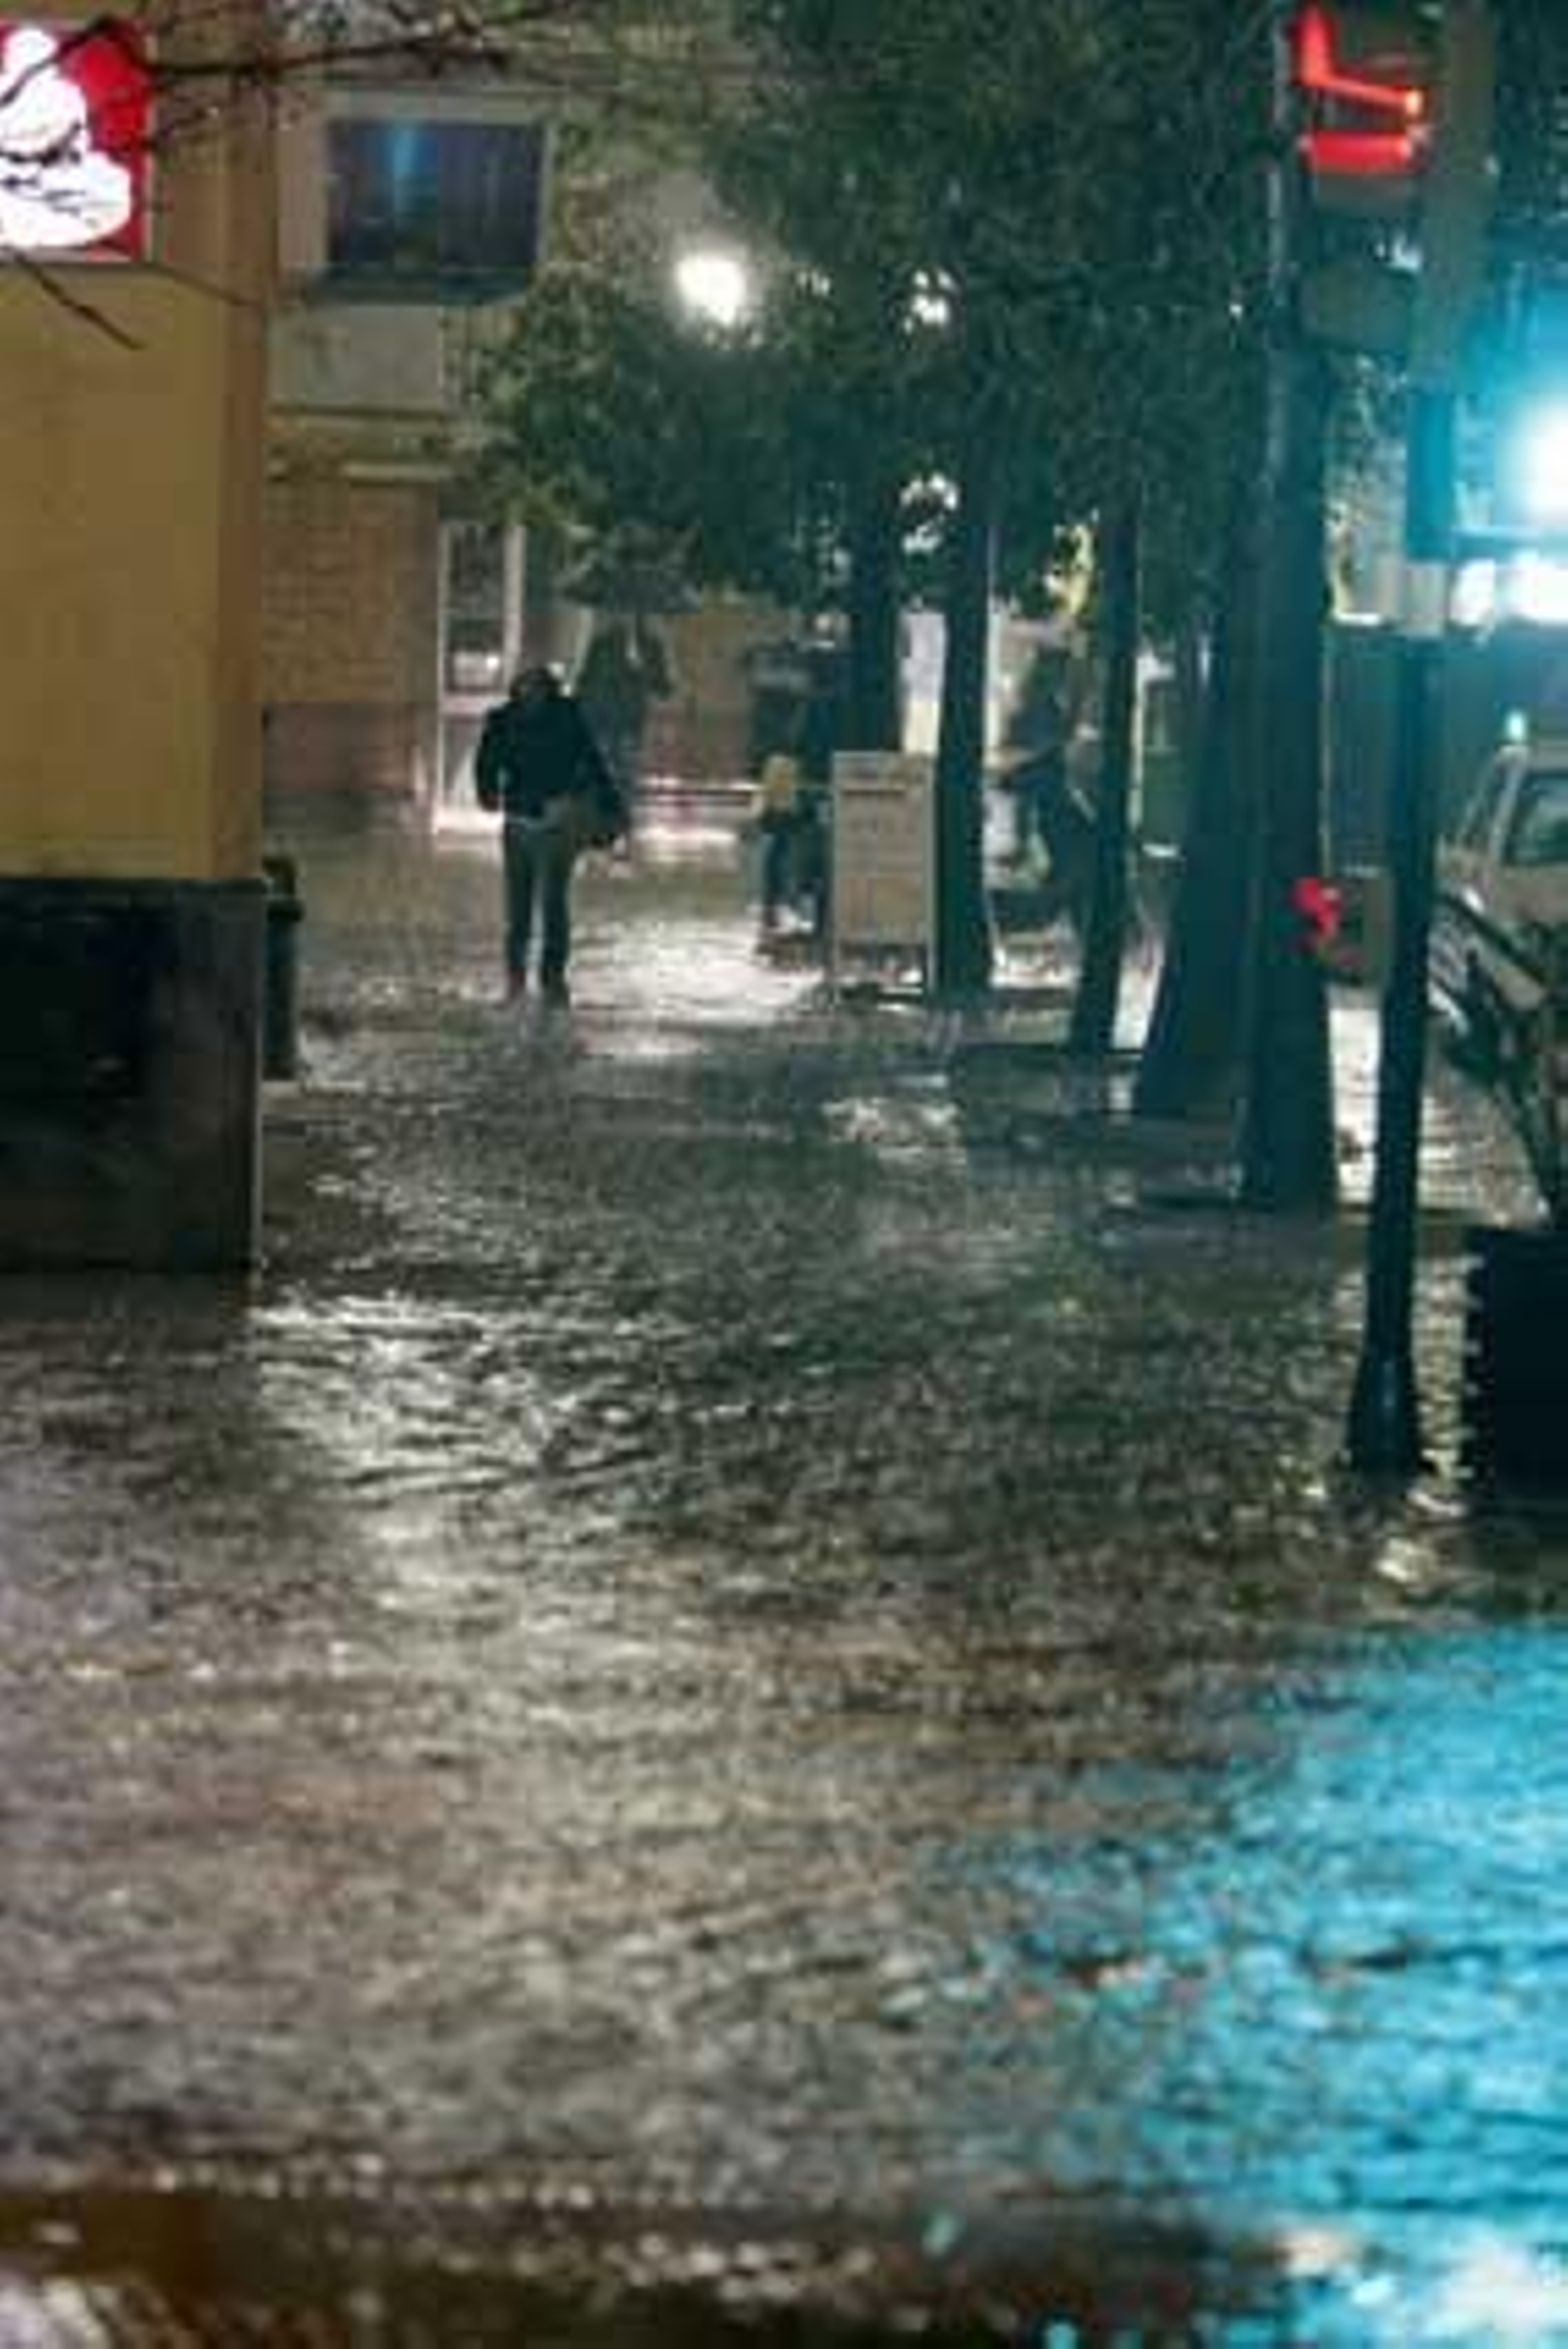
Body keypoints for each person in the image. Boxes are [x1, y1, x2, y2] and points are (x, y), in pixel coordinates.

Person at [474, 664, 623, 1006]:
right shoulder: (502, 719)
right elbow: (486, 762)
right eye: (524, 687)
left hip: (558, 822)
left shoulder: (568, 717)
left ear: (548, 690)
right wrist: (487, 792)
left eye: (536, 688)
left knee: (554, 904)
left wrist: (611, 806)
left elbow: (593, 760)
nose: (529, 693)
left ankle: (552, 980)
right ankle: (515, 981)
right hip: (518, 821)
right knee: (518, 908)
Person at [574, 613, 671, 839]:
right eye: (621, 611)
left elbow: (663, 687)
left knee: (627, 773)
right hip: (600, 718)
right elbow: (585, 679)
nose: (626, 617)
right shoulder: (601, 644)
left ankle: (620, 818)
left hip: (631, 720)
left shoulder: (651, 646)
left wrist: (644, 670)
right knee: (603, 770)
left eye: (633, 612)